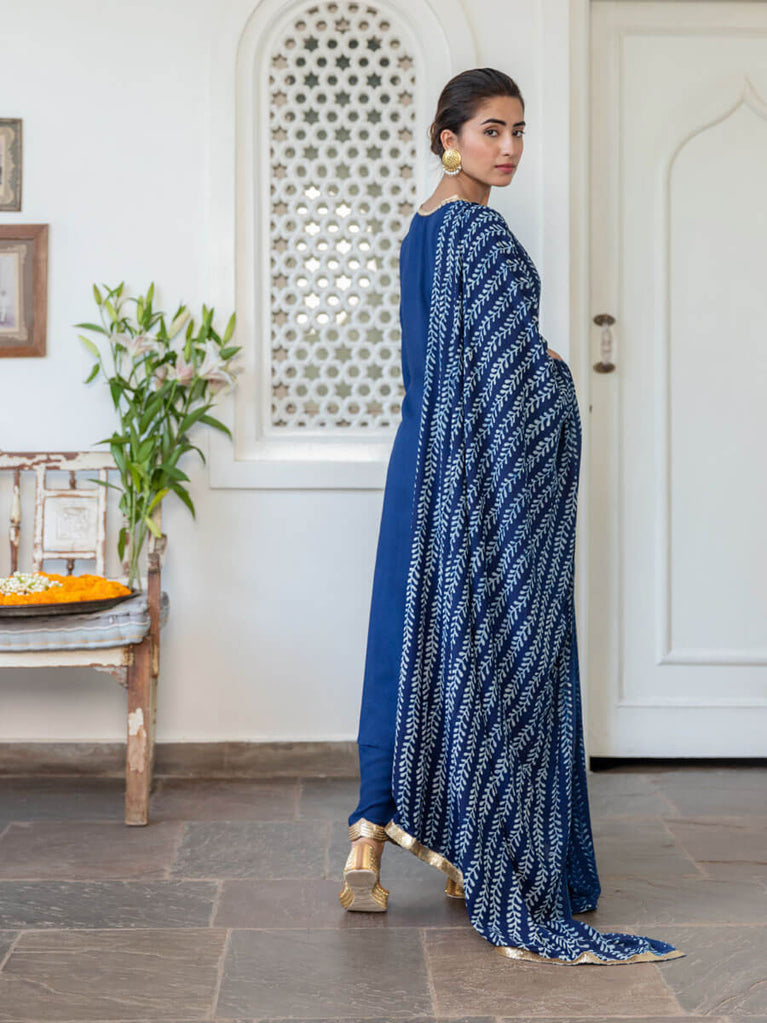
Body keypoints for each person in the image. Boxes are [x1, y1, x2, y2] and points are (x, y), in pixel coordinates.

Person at [338, 68, 686, 966]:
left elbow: (446, 366)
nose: (508, 148)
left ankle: (369, 832)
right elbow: (508, 374)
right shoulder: (477, 230)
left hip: (420, 462)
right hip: (472, 477)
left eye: (518, 130)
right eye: (490, 130)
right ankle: (481, 837)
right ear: (447, 138)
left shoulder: (422, 227)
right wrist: (554, 373)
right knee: (492, 642)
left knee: (404, 639)